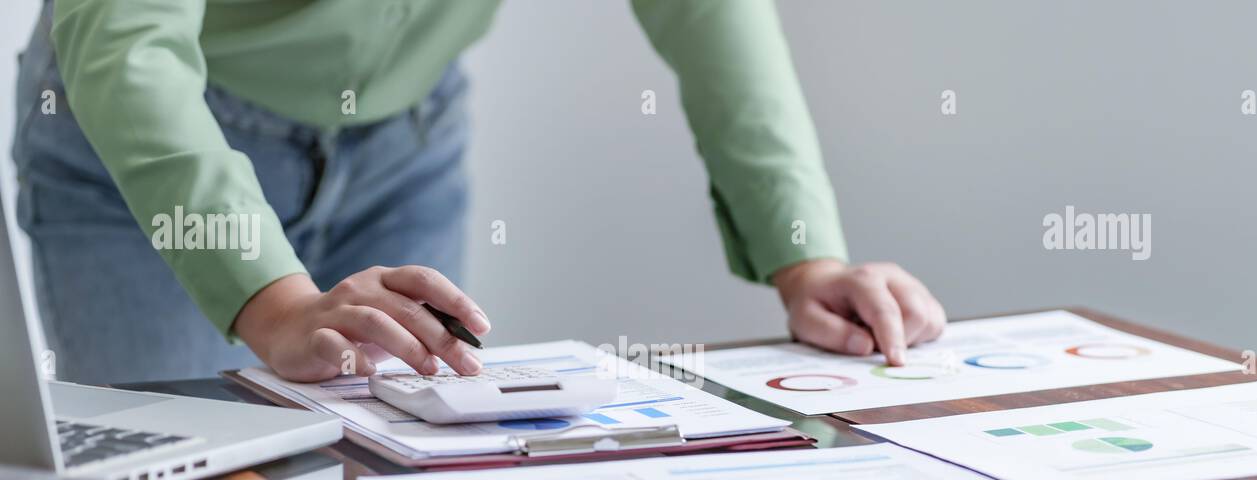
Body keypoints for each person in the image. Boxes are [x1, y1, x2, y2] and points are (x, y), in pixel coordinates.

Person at [13, 0, 947, 385]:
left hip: (406, 145)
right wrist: (274, 298)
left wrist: (803, 250)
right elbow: (129, 48)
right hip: (145, 146)